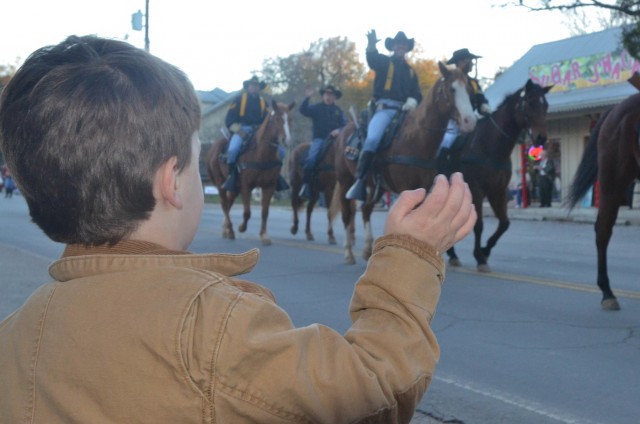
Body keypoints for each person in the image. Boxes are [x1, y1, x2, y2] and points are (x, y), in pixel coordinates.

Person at [0, 35, 476, 424]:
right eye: (193, 161)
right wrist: (412, 255)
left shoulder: (10, 337)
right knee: (355, 140)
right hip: (372, 113)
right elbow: (374, 391)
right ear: (173, 182)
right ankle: (364, 172)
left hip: (400, 106)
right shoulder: (219, 327)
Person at [346, 30, 423, 201]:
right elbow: (371, 59)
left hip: (405, 112)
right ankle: (360, 180)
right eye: (398, 43)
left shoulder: (411, 72)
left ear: (407, 48)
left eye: (403, 44)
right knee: (372, 139)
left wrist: (412, 101)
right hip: (385, 110)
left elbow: (417, 94)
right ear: (393, 47)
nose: (401, 46)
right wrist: (371, 45)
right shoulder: (384, 62)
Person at [222, 75, 288, 192]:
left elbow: (270, 119)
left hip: (260, 131)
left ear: (259, 88)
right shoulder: (238, 100)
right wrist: (239, 130)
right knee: (233, 149)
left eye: (257, 86)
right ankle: (232, 176)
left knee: (282, 152)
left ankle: (276, 176)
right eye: (252, 85)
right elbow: (229, 119)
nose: (254, 88)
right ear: (248, 87)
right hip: (242, 129)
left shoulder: (264, 103)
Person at [437, 48, 492, 174]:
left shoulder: (473, 82)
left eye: (471, 61)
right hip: (454, 120)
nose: (471, 63)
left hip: (472, 118)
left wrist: (484, 105)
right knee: (447, 140)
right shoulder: (450, 80)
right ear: (459, 63)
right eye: (467, 60)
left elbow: (480, 97)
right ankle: (440, 172)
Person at [298, 85, 346, 199]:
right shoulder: (316, 108)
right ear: (323, 96)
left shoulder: (338, 111)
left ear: (335, 97)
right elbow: (303, 110)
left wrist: (338, 130)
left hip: (335, 141)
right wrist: (307, 99)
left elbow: (345, 125)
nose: (328, 97)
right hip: (319, 139)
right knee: (311, 159)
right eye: (326, 94)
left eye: (331, 95)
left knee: (349, 156)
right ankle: (306, 186)